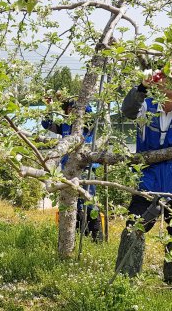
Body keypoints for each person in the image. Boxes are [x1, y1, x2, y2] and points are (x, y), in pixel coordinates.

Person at [115, 63, 172, 286]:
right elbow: (128, 111)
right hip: (147, 180)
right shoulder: (147, 106)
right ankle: (125, 282)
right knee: (134, 227)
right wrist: (142, 87)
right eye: (166, 80)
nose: (169, 86)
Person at [41, 100, 103, 242]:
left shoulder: (86, 124)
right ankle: (79, 236)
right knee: (73, 203)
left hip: (86, 167)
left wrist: (82, 105)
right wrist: (50, 106)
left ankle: (96, 237)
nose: (71, 111)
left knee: (89, 200)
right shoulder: (64, 125)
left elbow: (93, 116)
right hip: (68, 168)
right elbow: (46, 123)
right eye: (69, 109)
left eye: (74, 108)